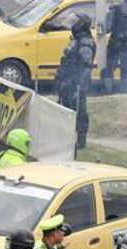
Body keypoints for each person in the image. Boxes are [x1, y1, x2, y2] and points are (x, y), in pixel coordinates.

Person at [56, 14, 96, 149]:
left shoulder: (85, 42)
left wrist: (80, 87)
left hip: (76, 84)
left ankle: (80, 141)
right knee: (65, 111)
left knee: (79, 112)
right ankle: (65, 139)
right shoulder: (76, 39)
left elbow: (86, 66)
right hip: (68, 82)